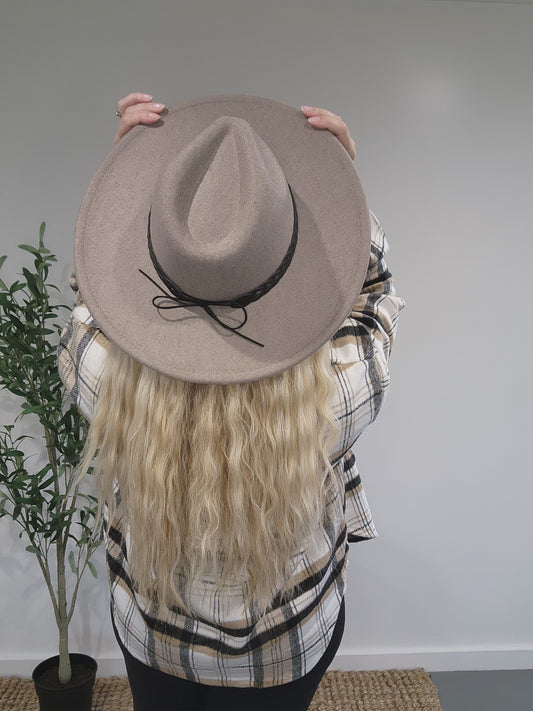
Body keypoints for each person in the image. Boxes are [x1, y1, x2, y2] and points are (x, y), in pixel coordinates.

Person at [58, 91, 405, 711]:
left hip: (158, 644)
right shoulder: (338, 390)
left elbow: (91, 296)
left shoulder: (101, 374)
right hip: (290, 646)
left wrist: (117, 179)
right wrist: (349, 200)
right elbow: (376, 297)